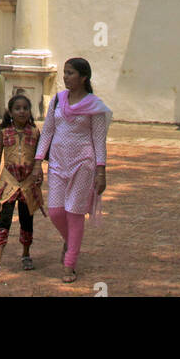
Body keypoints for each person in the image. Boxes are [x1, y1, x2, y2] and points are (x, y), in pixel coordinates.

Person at [34, 58, 111, 283]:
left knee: (74, 212)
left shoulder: (94, 105)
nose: (65, 77)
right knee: (56, 211)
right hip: (57, 163)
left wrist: (101, 170)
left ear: (83, 77)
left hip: (83, 164)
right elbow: (47, 131)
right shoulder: (57, 101)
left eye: (70, 73)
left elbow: (99, 140)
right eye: (65, 73)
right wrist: (39, 160)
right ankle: (71, 243)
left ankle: (70, 264)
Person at [0, 91, 44, 278]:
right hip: (8, 182)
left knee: (27, 220)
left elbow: (40, 158)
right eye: (17, 109)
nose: (22, 112)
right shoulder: (4, 132)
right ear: (10, 112)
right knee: (4, 219)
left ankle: (26, 254)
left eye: (25, 108)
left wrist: (39, 175)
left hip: (28, 183)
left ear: (29, 111)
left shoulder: (35, 132)